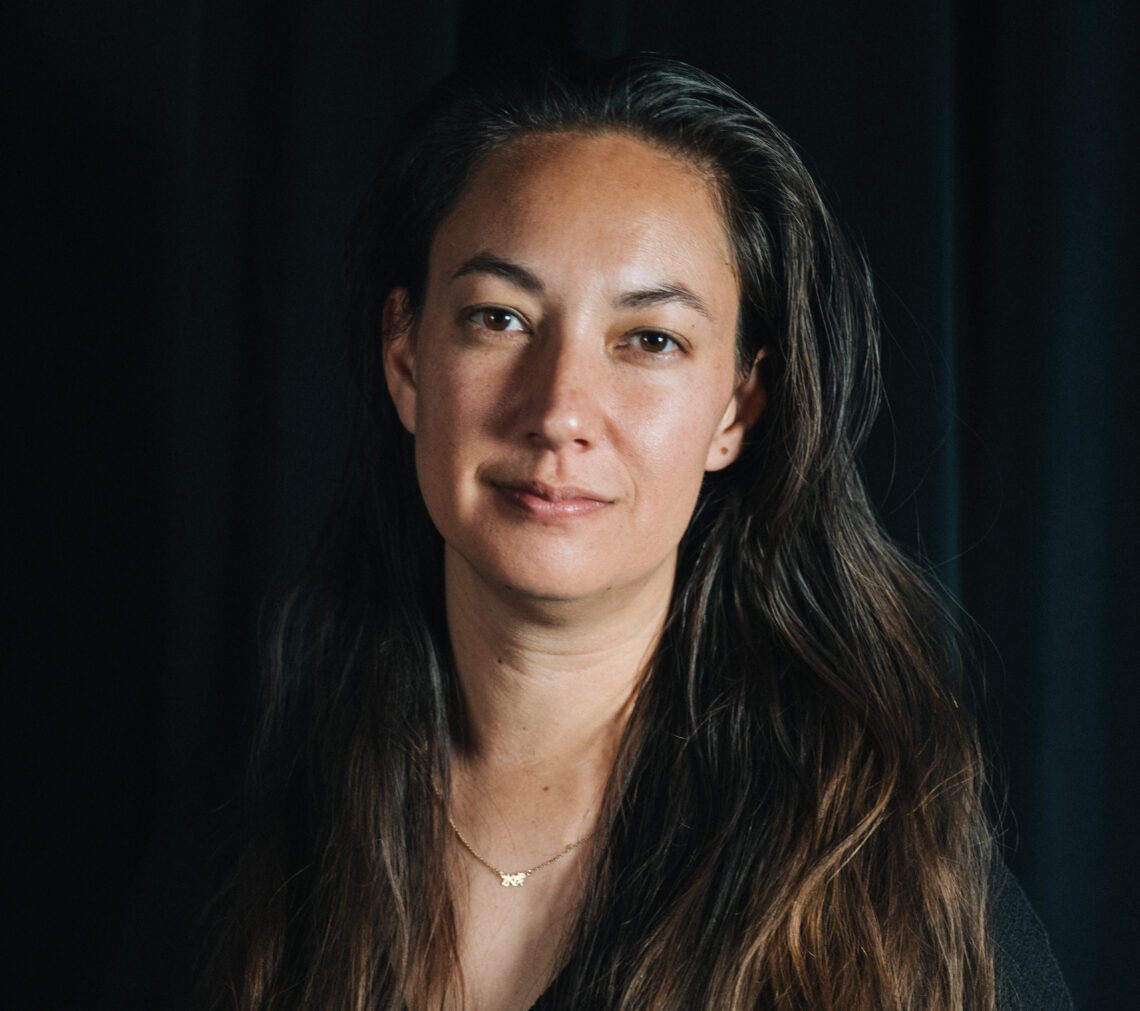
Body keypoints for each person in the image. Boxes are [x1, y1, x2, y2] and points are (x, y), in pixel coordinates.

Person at [195, 54, 1072, 1010]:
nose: (560, 409)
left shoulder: (881, 867)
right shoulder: (255, 826)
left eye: (649, 339)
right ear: (405, 358)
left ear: (738, 407)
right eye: (500, 318)